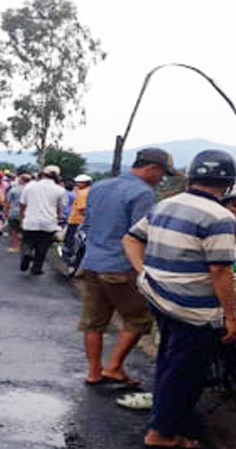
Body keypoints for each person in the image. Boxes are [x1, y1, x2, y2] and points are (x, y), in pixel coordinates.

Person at [122, 149, 236, 449]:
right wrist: (231, 317)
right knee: (185, 372)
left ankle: (164, 419)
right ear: (228, 183)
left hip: (159, 297)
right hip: (194, 310)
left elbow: (131, 238)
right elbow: (220, 270)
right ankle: (162, 433)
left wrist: (143, 272)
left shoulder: (166, 204)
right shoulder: (222, 217)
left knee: (169, 360)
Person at [77, 148, 174, 387]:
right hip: (122, 266)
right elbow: (140, 234)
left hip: (91, 262)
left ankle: (93, 372)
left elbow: (87, 224)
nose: (161, 179)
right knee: (138, 320)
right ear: (151, 168)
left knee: (93, 321)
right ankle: (114, 367)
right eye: (161, 174)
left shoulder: (99, 187)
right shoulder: (143, 193)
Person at [19, 165, 67, 275]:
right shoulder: (60, 190)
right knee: (43, 246)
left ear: (43, 174)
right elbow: (60, 208)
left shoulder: (30, 186)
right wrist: (57, 220)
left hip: (30, 220)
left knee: (28, 241)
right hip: (48, 222)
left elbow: (22, 204)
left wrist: (22, 218)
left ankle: (27, 252)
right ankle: (37, 268)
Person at [62, 174, 92, 260]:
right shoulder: (89, 191)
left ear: (84, 183)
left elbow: (82, 208)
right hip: (81, 220)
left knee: (70, 239)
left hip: (76, 220)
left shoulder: (82, 193)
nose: (76, 184)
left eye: (78, 183)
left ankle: (67, 256)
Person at [4, 172, 31, 253]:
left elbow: (7, 202)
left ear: (20, 180)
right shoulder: (31, 190)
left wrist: (4, 212)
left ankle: (16, 247)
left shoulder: (14, 189)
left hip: (13, 213)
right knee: (24, 231)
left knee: (14, 231)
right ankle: (24, 246)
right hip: (27, 214)